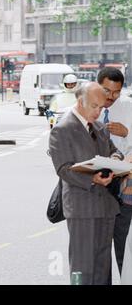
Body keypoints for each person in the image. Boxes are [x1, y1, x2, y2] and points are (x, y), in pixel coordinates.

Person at [49, 82, 124, 285]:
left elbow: (114, 150)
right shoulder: (62, 129)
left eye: (101, 107)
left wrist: (116, 160)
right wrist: (92, 178)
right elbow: (63, 168)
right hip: (81, 207)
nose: (98, 112)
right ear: (80, 102)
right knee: (82, 267)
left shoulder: (99, 127)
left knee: (102, 266)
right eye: (94, 106)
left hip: (106, 207)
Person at [96, 67, 132, 275]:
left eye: (116, 92)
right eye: (106, 91)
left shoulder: (128, 106)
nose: (111, 97)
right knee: (98, 250)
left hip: (122, 186)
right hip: (95, 184)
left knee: (123, 245)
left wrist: (127, 133)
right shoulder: (89, 106)